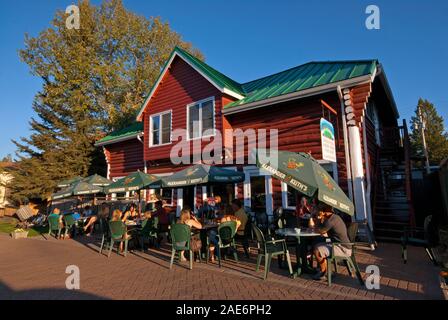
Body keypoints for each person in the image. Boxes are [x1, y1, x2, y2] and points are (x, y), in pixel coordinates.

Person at [312, 203, 352, 281]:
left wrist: (318, 218)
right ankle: (322, 269)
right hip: (341, 245)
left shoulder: (330, 221)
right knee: (317, 243)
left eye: (318, 211)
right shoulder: (334, 217)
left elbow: (320, 230)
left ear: (323, 212)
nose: (317, 212)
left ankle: (326, 273)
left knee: (317, 250)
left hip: (343, 248)